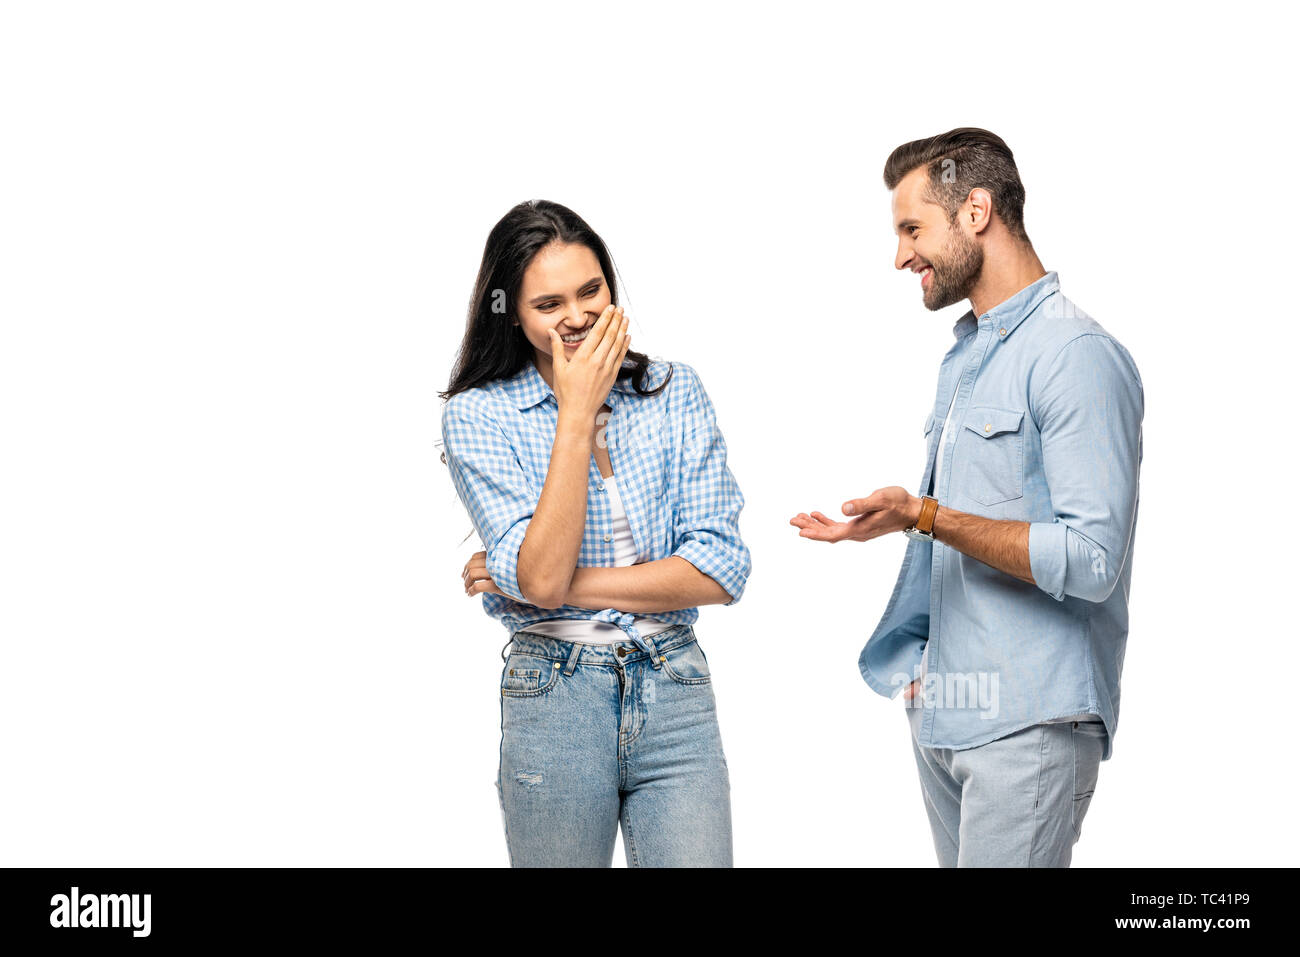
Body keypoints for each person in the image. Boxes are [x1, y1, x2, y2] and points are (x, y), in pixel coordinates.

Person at [790, 129, 1144, 867]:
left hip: (1028, 726)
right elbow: (974, 522)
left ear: (975, 211)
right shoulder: (967, 358)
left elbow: (1091, 558)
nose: (900, 255)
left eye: (912, 228)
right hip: (948, 716)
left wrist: (927, 515)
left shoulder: (1075, 356)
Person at [439, 200, 751, 867]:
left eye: (591, 291)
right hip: (555, 694)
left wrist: (527, 579)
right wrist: (576, 411)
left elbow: (720, 569)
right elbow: (542, 578)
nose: (577, 316)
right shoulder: (477, 416)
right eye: (548, 304)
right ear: (514, 314)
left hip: (674, 684)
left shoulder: (673, 390)